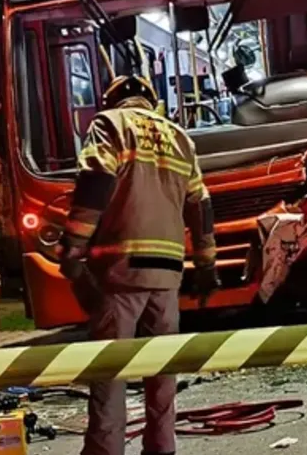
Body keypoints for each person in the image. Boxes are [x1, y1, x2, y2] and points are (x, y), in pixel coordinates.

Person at [58, 75, 221, 455]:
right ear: (151, 100)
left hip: (120, 267)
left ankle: (105, 450)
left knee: (109, 371)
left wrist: (74, 247)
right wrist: (206, 264)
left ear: (113, 99)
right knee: (162, 370)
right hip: (167, 271)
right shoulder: (180, 137)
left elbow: (96, 180)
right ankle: (162, 447)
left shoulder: (109, 123)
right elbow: (201, 205)